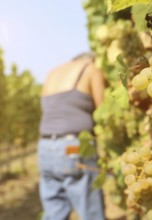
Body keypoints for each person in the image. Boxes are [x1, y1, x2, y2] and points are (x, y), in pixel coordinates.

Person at [37, 52, 106, 220]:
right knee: (91, 211)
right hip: (73, 147)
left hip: (45, 148)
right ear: (92, 59)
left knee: (54, 213)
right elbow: (103, 112)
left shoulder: (52, 73)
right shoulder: (90, 69)